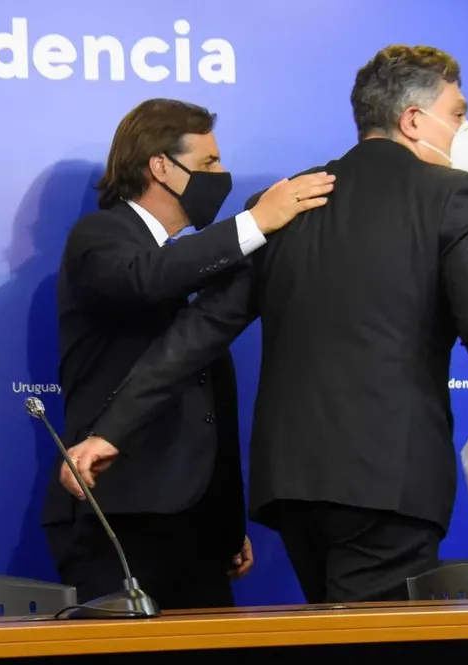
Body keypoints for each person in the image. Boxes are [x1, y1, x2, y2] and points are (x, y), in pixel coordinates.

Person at [66, 47, 468, 604]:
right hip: (387, 481)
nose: (467, 129)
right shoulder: (451, 193)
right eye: (459, 113)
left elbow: (199, 332)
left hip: (294, 487)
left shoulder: (291, 202)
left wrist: (110, 430)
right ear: (414, 120)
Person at [41, 98, 335, 609]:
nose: (222, 175)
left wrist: (225, 523)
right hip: (120, 515)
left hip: (197, 527)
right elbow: (147, 279)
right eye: (208, 164)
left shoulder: (195, 260)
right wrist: (257, 222)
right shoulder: (101, 236)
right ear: (161, 167)